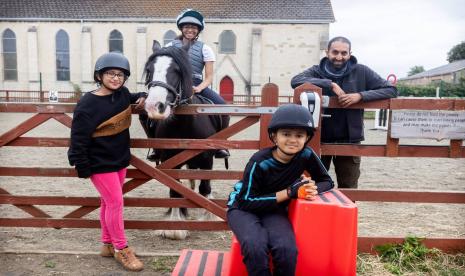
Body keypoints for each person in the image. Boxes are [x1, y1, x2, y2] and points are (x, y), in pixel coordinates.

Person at [226, 104, 334, 276]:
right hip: (242, 208)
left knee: (286, 248)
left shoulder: (306, 154)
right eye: (286, 134)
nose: (293, 140)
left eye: (299, 135)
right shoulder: (259, 161)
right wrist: (290, 192)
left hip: (274, 209)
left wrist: (310, 188)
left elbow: (326, 181)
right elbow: (246, 201)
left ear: (307, 138)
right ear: (274, 137)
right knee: (255, 245)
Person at [68, 52, 147, 272]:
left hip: (119, 160)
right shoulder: (87, 104)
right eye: (110, 73)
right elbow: (78, 139)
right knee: (115, 203)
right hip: (99, 163)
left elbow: (136, 96)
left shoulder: (122, 94)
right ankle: (122, 248)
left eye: (120, 74)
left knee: (107, 202)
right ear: (99, 75)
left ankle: (107, 244)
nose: (115, 78)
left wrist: (144, 96)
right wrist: (82, 165)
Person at [291, 36, 398, 188]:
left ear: (350, 53)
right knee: (314, 184)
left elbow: (391, 90)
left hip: (350, 138)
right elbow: (295, 81)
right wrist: (330, 84)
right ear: (327, 52)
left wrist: (360, 96)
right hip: (319, 137)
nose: (339, 57)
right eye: (335, 52)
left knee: (349, 186)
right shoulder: (317, 71)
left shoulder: (362, 71)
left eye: (343, 53)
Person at [164, 8, 230, 159]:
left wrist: (199, 88)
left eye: (194, 27)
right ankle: (154, 146)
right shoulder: (168, 47)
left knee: (223, 106)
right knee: (149, 109)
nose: (190, 30)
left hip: (196, 83)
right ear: (181, 28)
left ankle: (220, 144)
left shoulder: (205, 49)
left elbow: (209, 76)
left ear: (198, 30)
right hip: (173, 83)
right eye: (187, 27)